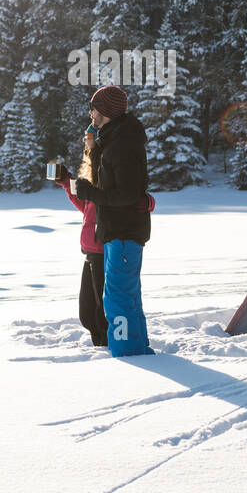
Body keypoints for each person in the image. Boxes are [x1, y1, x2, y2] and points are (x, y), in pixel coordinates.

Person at [70, 84, 155, 357]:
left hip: (123, 232)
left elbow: (127, 194)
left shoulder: (124, 144)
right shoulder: (115, 140)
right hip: (116, 232)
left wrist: (88, 192)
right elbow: (112, 183)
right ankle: (138, 351)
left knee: (117, 300)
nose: (90, 112)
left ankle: (127, 356)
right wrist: (94, 150)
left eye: (93, 107)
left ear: (104, 110)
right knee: (127, 297)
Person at [54, 126, 107, 346]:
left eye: (88, 138)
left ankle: (108, 350)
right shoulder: (92, 168)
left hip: (104, 251)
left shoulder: (106, 167)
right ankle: (102, 347)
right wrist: (66, 180)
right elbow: (86, 204)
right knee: (87, 313)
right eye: (84, 138)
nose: (85, 142)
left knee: (99, 312)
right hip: (90, 251)